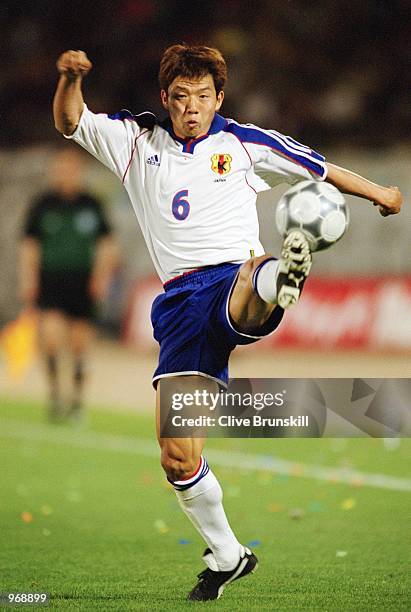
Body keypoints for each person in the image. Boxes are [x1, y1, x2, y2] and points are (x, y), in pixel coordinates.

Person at [52, 45, 402, 600]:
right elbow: (71, 120)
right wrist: (70, 79)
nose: (193, 108)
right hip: (178, 310)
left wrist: (380, 192)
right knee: (177, 455)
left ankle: (281, 272)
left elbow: (320, 168)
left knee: (247, 280)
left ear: (220, 98)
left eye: (204, 97)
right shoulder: (136, 140)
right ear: (166, 99)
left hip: (231, 277)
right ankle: (228, 554)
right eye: (182, 97)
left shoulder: (242, 141)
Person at [20, 147, 118, 422]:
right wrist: (28, 279)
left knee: (79, 346)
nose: (65, 175)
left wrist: (101, 278)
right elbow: (29, 245)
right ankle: (54, 394)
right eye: (60, 169)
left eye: (70, 169)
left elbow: (107, 244)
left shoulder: (91, 204)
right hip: (51, 282)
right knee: (50, 339)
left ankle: (76, 400)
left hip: (83, 283)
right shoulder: (43, 205)